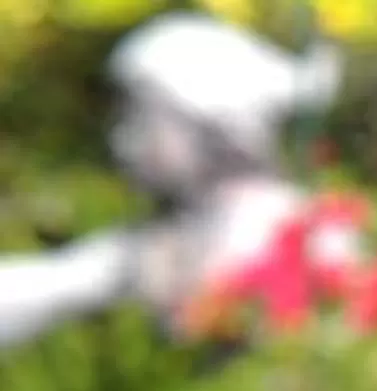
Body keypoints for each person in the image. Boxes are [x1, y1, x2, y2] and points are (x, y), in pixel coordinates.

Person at [0, 13, 342, 349]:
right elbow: (46, 287)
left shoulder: (293, 229)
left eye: (142, 116)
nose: (124, 138)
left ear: (207, 120)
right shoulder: (168, 237)